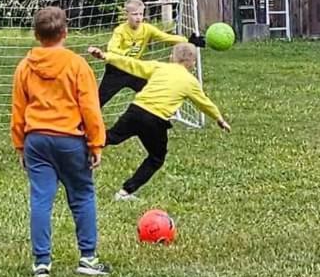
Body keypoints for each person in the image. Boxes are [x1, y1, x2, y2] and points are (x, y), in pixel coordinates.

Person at [11, 7, 109, 277]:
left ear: (36, 34)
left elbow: (18, 109)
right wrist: (96, 142)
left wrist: (20, 144)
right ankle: (88, 258)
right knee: (82, 195)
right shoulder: (77, 65)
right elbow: (90, 107)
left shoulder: (25, 67)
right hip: (70, 140)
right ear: (65, 32)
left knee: (41, 199)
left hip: (36, 140)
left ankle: (42, 262)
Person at [87, 42, 230, 200]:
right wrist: (219, 118)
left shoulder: (160, 67)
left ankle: (77, 149)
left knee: (111, 137)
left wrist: (106, 56)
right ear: (193, 64)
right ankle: (125, 192)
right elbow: (204, 103)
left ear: (170, 58)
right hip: (155, 121)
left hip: (135, 110)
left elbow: (132, 63)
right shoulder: (191, 82)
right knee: (156, 158)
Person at [98, 0, 205, 108]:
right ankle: (86, 120)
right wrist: (126, 53)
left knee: (153, 92)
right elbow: (111, 49)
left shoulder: (147, 29)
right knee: (99, 100)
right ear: (127, 14)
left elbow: (166, 37)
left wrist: (188, 41)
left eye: (141, 14)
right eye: (135, 14)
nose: (138, 17)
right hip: (116, 70)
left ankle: (158, 114)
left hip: (134, 69)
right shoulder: (120, 31)